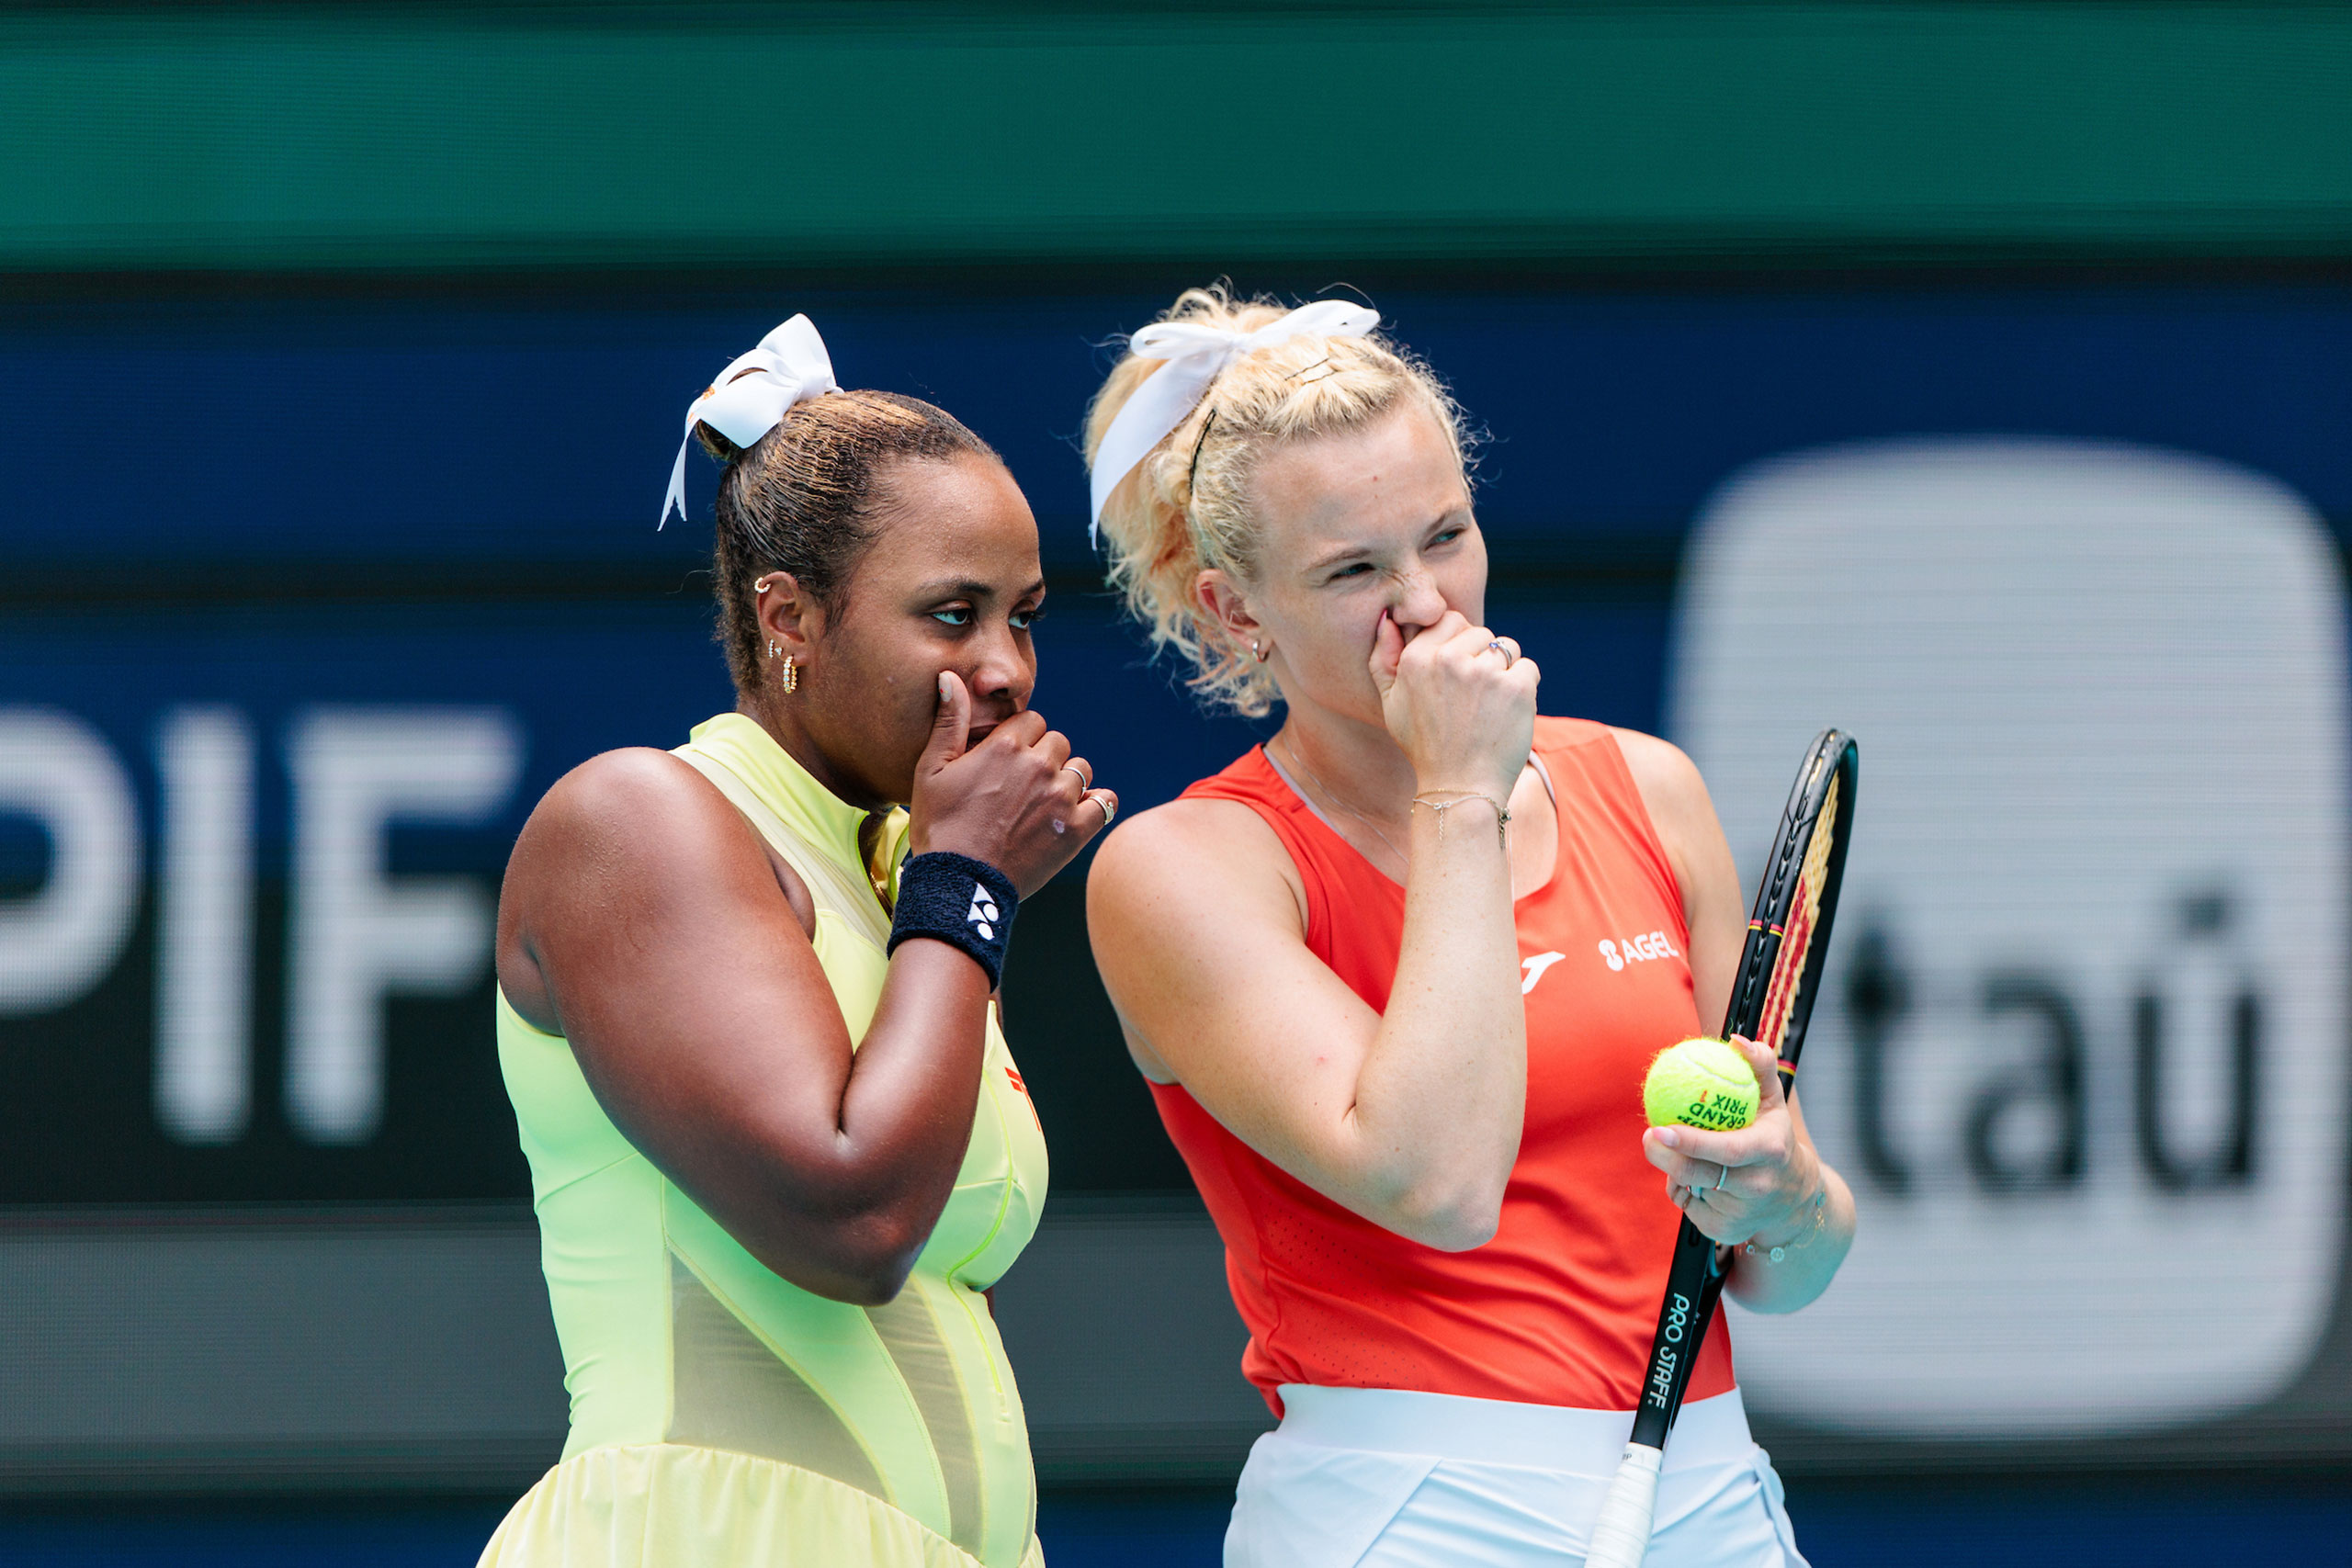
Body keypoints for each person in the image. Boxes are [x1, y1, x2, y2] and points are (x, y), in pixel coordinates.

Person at [1081, 288, 1854, 1568]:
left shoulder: (1648, 788)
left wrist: (1785, 1200)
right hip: (1406, 1505)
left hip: (1712, 1487)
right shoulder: (1185, 868)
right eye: (1353, 572)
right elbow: (1435, 1184)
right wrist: (1459, 792)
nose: (1428, 605)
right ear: (1234, 609)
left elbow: (1797, 1267)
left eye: (1445, 536)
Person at [481, 316, 1114, 1568]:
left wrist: (940, 890)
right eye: (950, 615)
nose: (1003, 670)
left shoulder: (901, 880)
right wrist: (966, 887)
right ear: (790, 619)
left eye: (1023, 618)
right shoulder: (636, 819)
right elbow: (851, 1219)